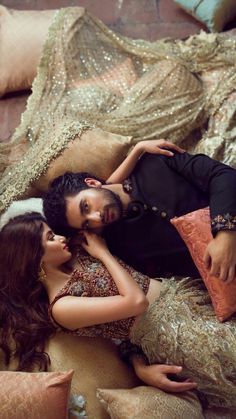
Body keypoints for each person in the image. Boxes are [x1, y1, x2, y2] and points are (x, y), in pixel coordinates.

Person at [0, 212, 236, 410]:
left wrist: (137, 153)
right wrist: (103, 253)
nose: (61, 238)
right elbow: (136, 303)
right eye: (50, 237)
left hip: (188, 298)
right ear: (34, 258)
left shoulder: (76, 253)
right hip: (179, 335)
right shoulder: (62, 307)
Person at [43, 140, 236, 281]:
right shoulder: (121, 246)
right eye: (87, 223)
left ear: (92, 183)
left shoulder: (156, 162)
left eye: (86, 206)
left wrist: (225, 233)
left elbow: (223, 175)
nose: (96, 218)